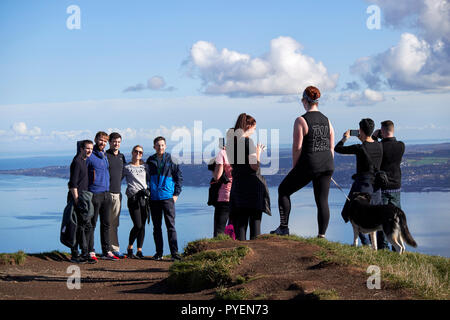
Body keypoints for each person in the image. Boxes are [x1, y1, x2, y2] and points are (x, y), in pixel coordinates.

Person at [270, 86, 335, 238]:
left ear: (304, 101)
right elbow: (331, 146)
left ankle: (284, 227)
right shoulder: (327, 120)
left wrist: (294, 167)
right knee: (322, 200)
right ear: (317, 102)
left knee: (283, 190)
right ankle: (322, 236)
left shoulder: (301, 120)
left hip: (310, 164)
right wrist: (329, 166)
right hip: (327, 164)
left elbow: (297, 147)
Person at [335, 118, 385, 248]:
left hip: (362, 186)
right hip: (376, 188)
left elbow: (338, 148)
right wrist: (364, 137)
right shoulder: (380, 145)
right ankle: (373, 246)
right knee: (373, 216)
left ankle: (365, 244)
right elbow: (372, 143)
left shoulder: (360, 148)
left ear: (361, 131)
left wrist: (345, 138)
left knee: (355, 214)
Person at [227, 113, 271, 241]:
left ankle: (241, 253)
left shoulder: (231, 144)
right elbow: (254, 166)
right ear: (248, 126)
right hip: (252, 188)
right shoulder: (248, 142)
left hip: (238, 187)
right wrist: (258, 152)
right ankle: (254, 257)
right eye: (254, 128)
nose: (254, 131)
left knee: (240, 225)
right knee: (255, 225)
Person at [146, 136, 183, 261]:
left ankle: (174, 253)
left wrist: (176, 195)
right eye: (158, 145)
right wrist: (148, 191)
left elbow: (179, 178)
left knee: (170, 226)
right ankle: (159, 252)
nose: (160, 147)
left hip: (168, 198)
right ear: (154, 147)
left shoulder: (172, 159)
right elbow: (146, 178)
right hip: (154, 198)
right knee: (156, 227)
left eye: (162, 145)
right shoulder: (150, 160)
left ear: (165, 146)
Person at [373, 120, 405, 250]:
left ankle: (383, 247)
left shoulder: (380, 146)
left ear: (383, 131)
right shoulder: (401, 145)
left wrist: (375, 136)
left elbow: (372, 149)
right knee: (396, 218)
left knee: (383, 220)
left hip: (384, 187)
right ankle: (396, 248)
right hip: (396, 186)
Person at [86, 131, 119, 261]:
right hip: (94, 194)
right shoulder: (90, 155)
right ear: (95, 139)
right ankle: (90, 251)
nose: (103, 143)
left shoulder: (104, 155)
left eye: (105, 141)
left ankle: (106, 251)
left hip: (106, 193)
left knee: (106, 224)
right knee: (92, 224)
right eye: (101, 140)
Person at [68, 140, 96, 264]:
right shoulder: (77, 162)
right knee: (78, 226)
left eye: (91, 148)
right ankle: (78, 254)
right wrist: (77, 200)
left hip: (83, 198)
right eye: (87, 148)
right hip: (78, 199)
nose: (89, 151)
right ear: (81, 149)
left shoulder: (84, 161)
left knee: (85, 225)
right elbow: (73, 184)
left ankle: (83, 253)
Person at [123, 145, 150, 259]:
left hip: (144, 199)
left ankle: (139, 250)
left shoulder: (145, 167)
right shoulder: (127, 167)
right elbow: (117, 178)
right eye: (136, 151)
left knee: (142, 225)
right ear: (132, 152)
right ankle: (130, 247)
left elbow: (149, 180)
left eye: (140, 152)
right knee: (137, 225)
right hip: (133, 199)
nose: (138, 153)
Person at [105, 132, 126, 258]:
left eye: (118, 142)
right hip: (106, 193)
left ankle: (114, 248)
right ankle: (106, 249)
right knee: (105, 222)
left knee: (115, 223)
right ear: (110, 142)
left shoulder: (122, 157)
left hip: (117, 193)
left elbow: (123, 173)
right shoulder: (105, 155)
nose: (116, 144)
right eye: (114, 141)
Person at [211, 132, 233, 237]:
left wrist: (215, 166)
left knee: (219, 230)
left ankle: (219, 252)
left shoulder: (223, 153)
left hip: (224, 196)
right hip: (239, 195)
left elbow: (217, 176)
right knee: (233, 230)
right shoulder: (243, 154)